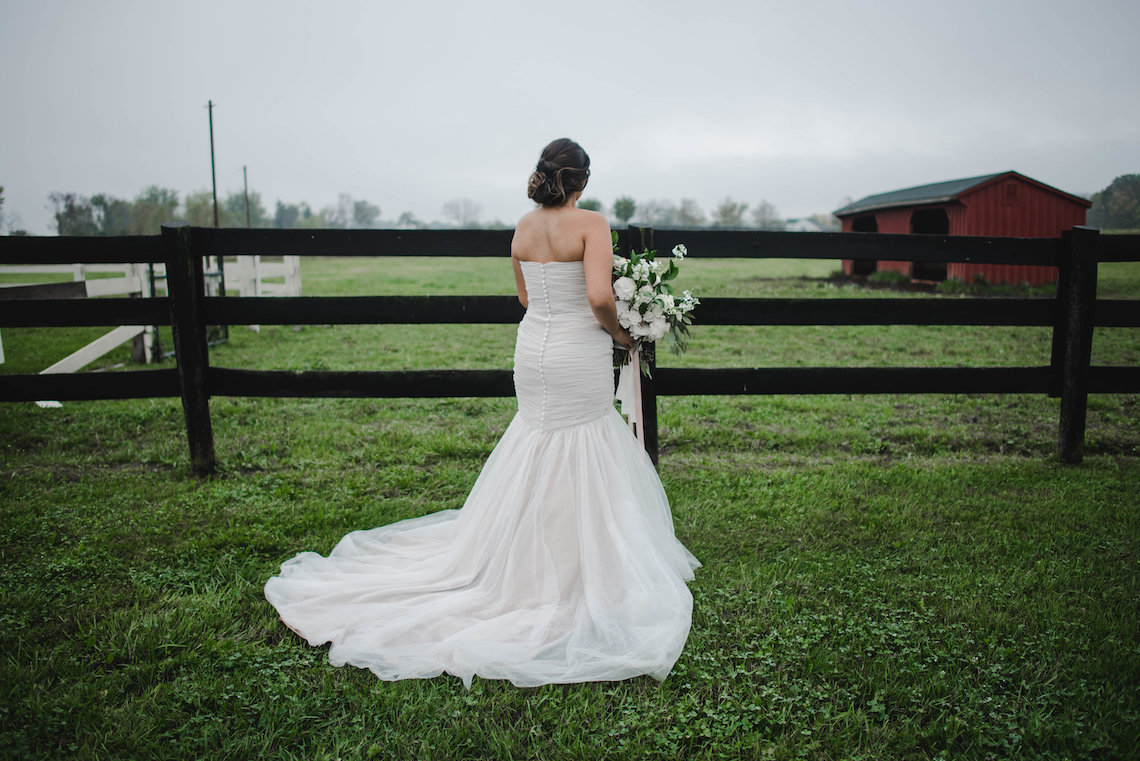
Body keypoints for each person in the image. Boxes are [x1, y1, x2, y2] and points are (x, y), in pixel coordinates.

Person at [264, 138, 700, 688]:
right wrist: (622, 333)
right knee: (584, 436)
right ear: (582, 181)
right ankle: (576, 568)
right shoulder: (592, 223)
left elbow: (524, 298)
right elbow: (596, 296)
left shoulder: (521, 227)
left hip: (534, 345)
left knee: (539, 437)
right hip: (577, 348)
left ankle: (524, 559)